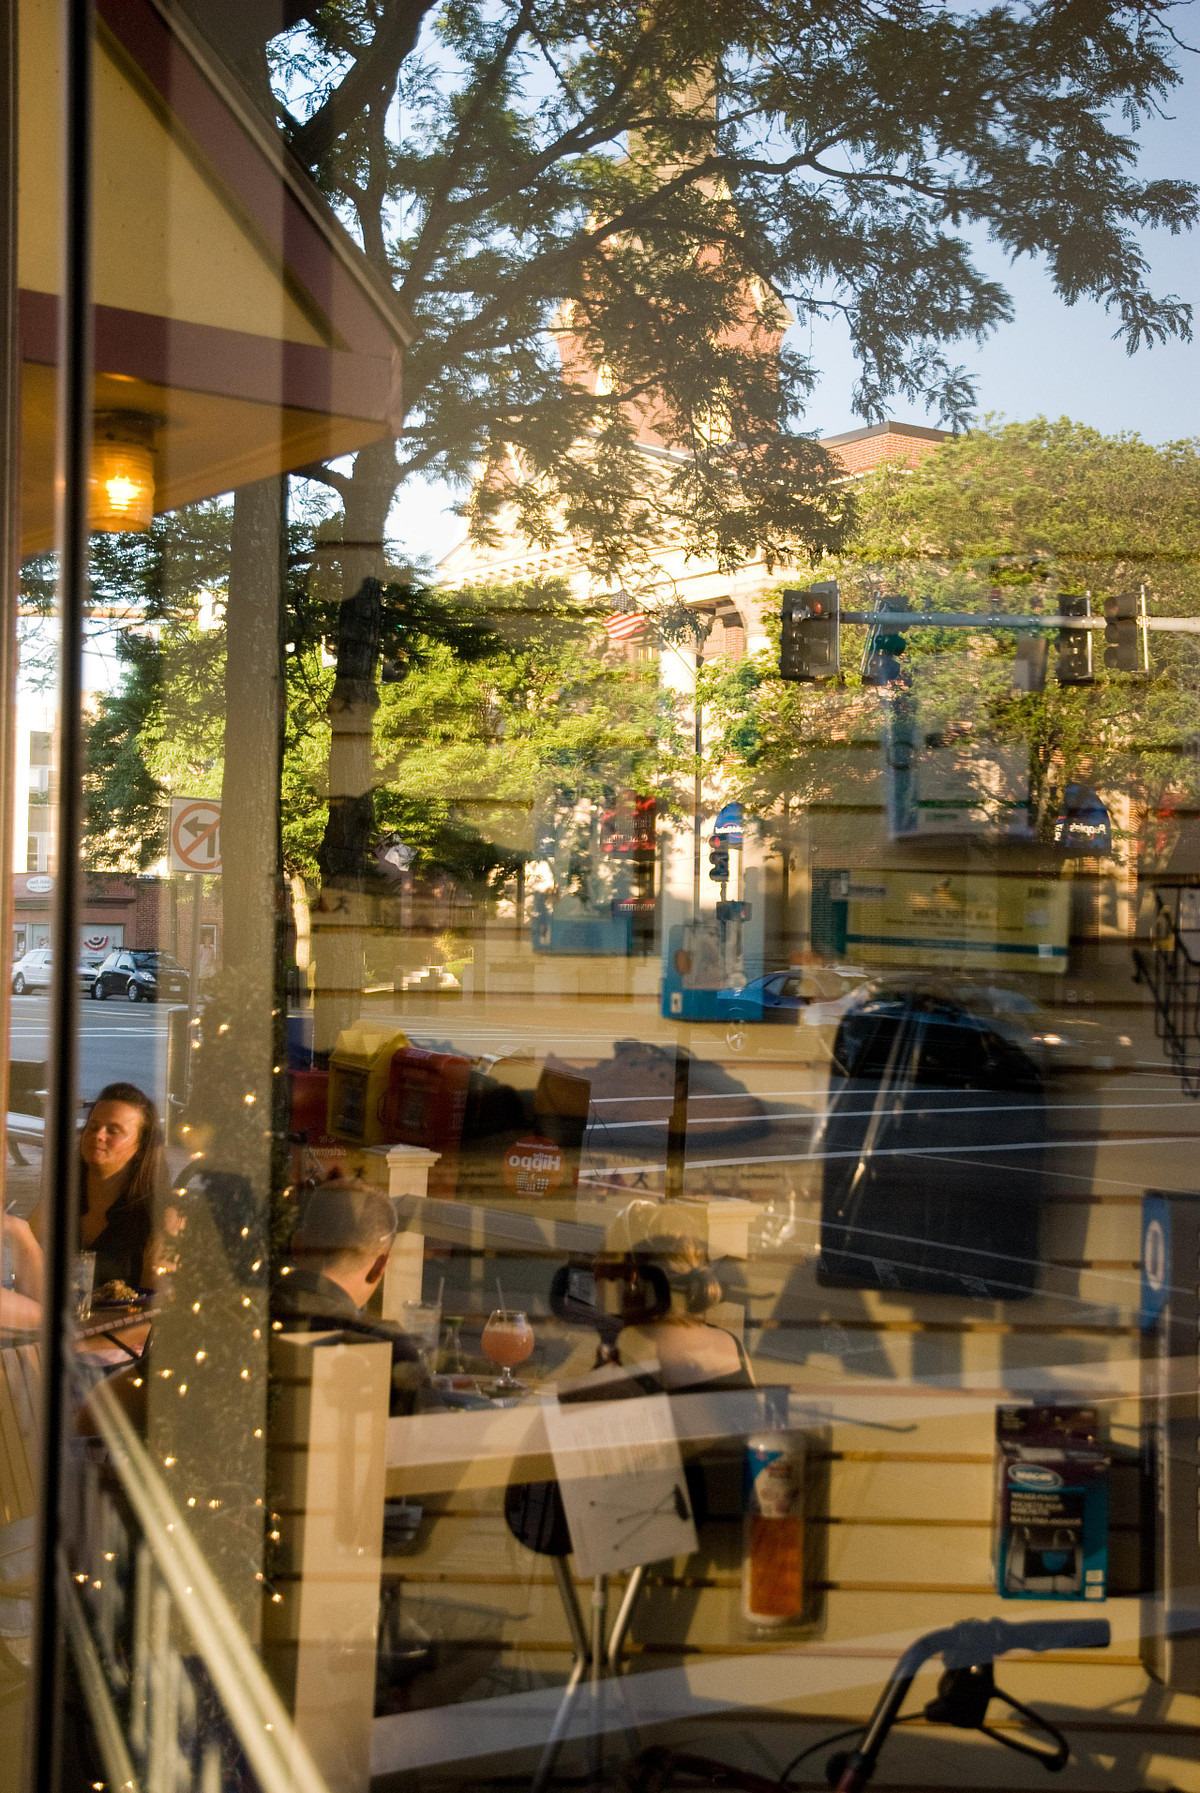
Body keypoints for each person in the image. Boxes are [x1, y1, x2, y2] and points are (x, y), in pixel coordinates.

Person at [272, 1177, 432, 1414]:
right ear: (379, 1266)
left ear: (296, 1245)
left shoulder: (249, 1315)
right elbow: (430, 1429)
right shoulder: (387, 1347)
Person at [33, 1081, 166, 1293]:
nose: (98, 1135)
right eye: (93, 1127)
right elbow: (22, 1276)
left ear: (141, 1147)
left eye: (114, 1131)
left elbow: (152, 1303)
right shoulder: (58, 1202)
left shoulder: (152, 1217)